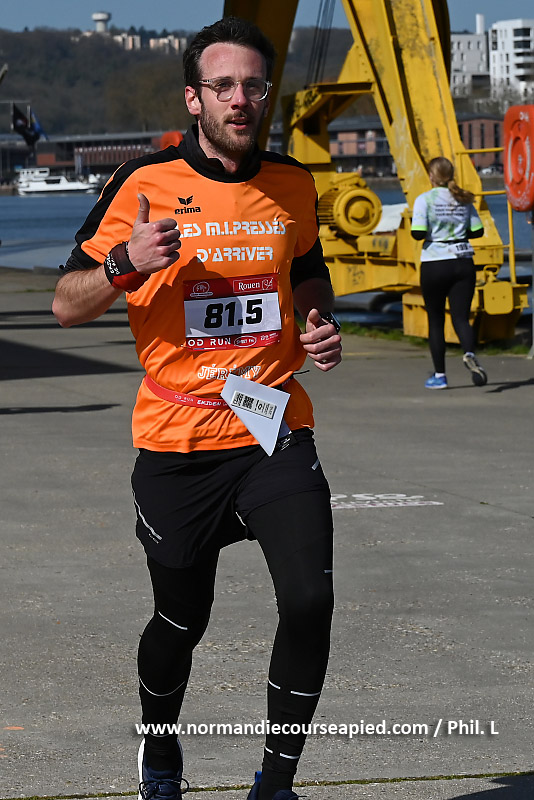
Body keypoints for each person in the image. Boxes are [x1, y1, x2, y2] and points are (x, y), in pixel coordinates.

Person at [52, 16, 342, 800]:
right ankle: (160, 751)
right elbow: (66, 304)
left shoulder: (292, 183)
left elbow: (307, 267)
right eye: (223, 86)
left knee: (310, 601)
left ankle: (275, 784)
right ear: (194, 98)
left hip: (272, 424)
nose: (239, 99)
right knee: (180, 621)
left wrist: (318, 318)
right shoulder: (141, 184)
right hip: (177, 438)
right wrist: (124, 262)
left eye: (252, 85)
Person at [411, 156, 487, 390]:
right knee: (461, 317)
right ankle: (469, 353)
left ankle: (440, 376)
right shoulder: (463, 199)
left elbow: (418, 232)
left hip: (435, 263)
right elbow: (478, 231)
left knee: (436, 320)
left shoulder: (424, 200)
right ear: (451, 175)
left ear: (431, 176)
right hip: (463, 262)